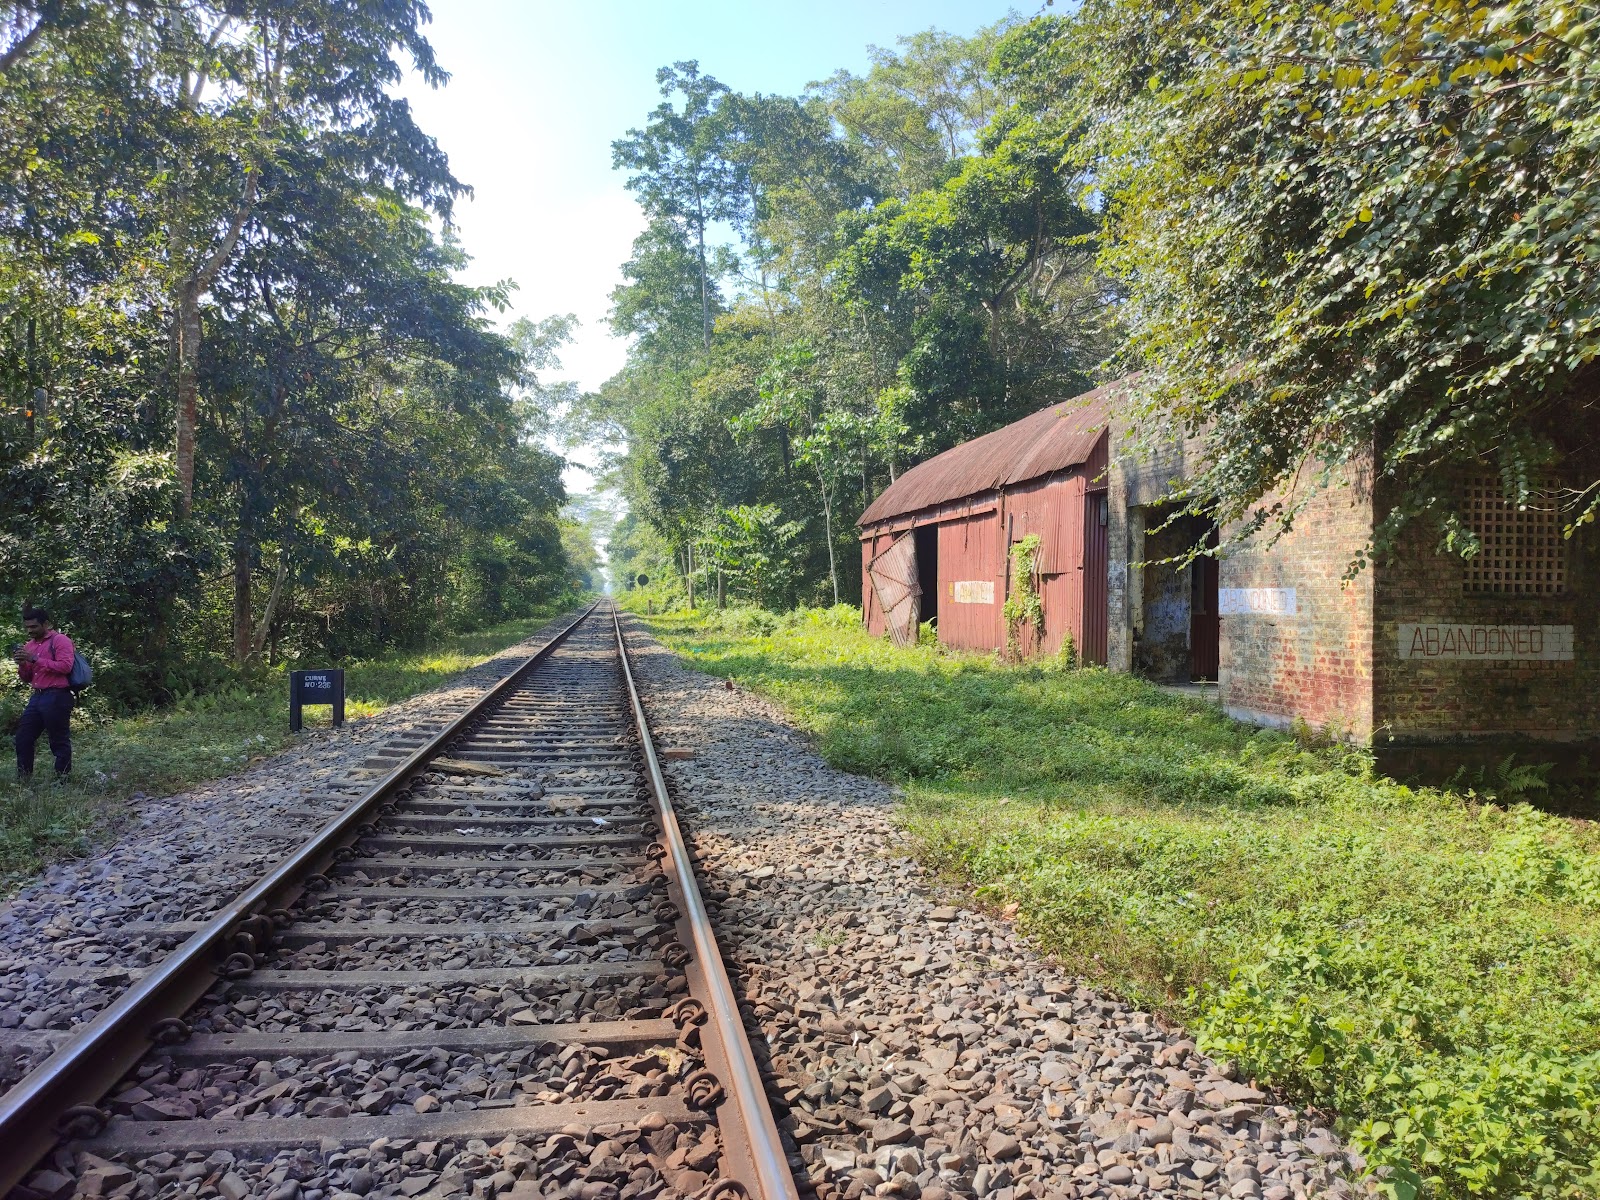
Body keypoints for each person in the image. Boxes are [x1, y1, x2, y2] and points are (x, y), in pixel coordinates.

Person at [13, 606, 74, 783]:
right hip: (37, 696)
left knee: (58, 740)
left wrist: (34, 659)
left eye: (34, 627)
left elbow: (65, 666)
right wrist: (22, 664)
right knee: (23, 737)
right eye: (27, 627)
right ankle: (24, 780)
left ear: (46, 624)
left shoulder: (60, 640)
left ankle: (62, 780)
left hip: (58, 694)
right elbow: (27, 678)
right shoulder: (29, 646)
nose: (30, 631)